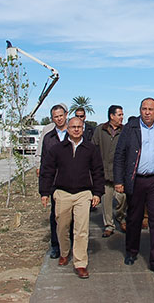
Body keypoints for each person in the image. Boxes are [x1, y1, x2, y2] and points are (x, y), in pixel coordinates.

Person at [113, 98, 154, 276]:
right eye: (144, 109)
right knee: (134, 218)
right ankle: (131, 251)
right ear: (140, 110)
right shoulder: (130, 128)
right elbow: (120, 155)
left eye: (151, 109)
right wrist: (119, 181)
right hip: (136, 180)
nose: (147, 112)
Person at [39, 117, 105, 279]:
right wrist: (45, 193)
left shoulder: (91, 149)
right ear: (67, 129)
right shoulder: (57, 149)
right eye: (73, 127)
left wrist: (97, 193)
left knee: (81, 230)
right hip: (62, 193)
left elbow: (98, 172)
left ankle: (80, 263)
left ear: (83, 129)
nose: (76, 129)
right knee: (61, 227)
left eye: (79, 127)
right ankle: (64, 252)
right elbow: (48, 171)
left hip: (83, 194)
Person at [92, 105, 127, 237]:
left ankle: (121, 218)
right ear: (112, 116)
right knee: (106, 202)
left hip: (119, 175)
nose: (122, 117)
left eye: (122, 115)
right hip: (104, 173)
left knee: (122, 198)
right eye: (119, 115)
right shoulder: (100, 130)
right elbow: (93, 147)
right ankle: (109, 225)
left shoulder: (125, 131)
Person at [39, 104, 69, 259]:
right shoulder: (49, 138)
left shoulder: (75, 133)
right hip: (55, 184)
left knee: (74, 218)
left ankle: (71, 246)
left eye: (61, 115)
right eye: (55, 117)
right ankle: (56, 246)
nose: (59, 119)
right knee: (55, 216)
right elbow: (45, 164)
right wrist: (44, 190)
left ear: (66, 114)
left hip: (74, 183)